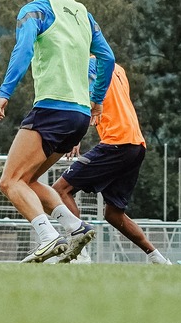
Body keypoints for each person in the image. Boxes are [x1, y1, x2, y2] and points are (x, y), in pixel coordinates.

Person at [0, 0, 116, 263]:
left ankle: (47, 237)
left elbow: (22, 51)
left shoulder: (35, 9)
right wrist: (96, 101)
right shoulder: (84, 14)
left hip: (51, 109)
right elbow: (108, 59)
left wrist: (4, 92)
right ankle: (75, 227)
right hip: (79, 114)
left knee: (9, 181)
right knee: (29, 180)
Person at [57, 56, 170, 264]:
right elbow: (108, 105)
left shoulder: (87, 63)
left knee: (60, 190)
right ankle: (159, 259)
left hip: (117, 143)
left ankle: (79, 253)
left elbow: (89, 101)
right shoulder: (117, 68)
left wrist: (75, 136)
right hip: (136, 144)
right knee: (114, 215)